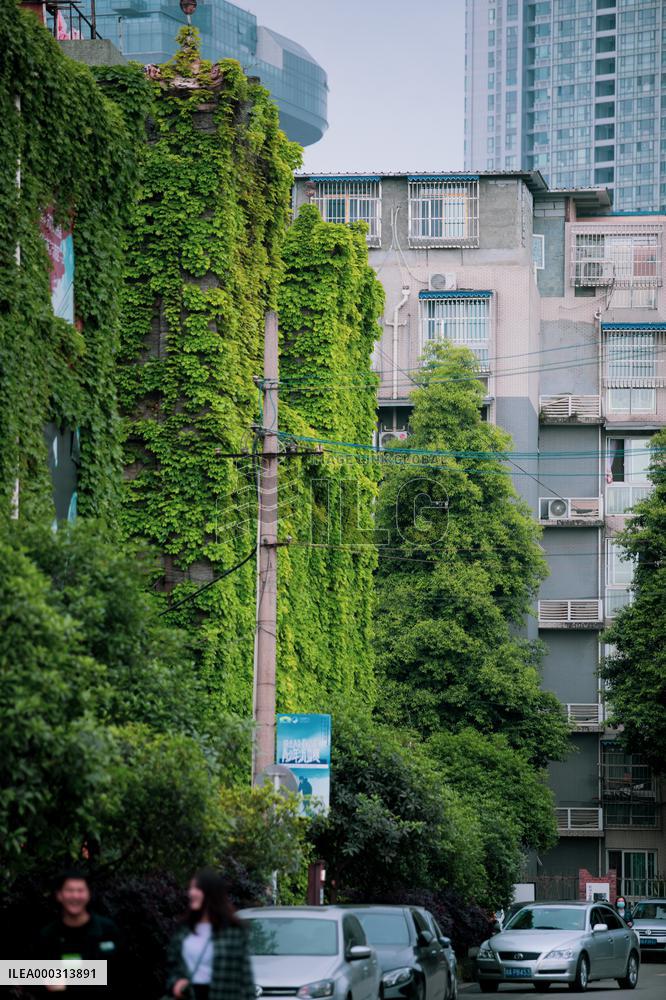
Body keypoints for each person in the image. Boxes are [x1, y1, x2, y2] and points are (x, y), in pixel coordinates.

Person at [165, 868, 256, 1000]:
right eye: (190, 888)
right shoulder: (183, 930)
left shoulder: (233, 932)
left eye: (197, 888)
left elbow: (245, 980)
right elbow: (172, 969)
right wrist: (176, 983)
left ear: (211, 893)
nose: (191, 893)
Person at [37, 870, 122, 996]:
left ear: (88, 895)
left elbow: (124, 973)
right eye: (70, 891)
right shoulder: (48, 935)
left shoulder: (108, 930)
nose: (75, 896)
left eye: (80, 890)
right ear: (59, 895)